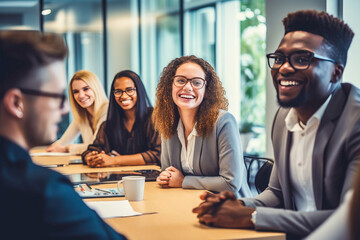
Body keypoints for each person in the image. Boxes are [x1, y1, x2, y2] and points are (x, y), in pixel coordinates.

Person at [192, 9, 358, 239]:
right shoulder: (283, 118)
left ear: (336, 73)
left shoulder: (355, 123)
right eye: (279, 58)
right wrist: (237, 206)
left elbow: (351, 218)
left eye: (302, 59)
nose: (284, 68)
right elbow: (277, 194)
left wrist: (251, 217)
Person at [0, 30, 126, 239]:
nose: (66, 108)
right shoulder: (44, 193)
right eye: (58, 97)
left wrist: (65, 147)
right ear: (16, 103)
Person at [153, 55, 252, 198]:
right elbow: (168, 172)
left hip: (229, 209)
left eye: (196, 82)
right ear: (170, 86)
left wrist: (183, 181)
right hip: (187, 203)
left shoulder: (223, 122)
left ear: (206, 91)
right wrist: (165, 178)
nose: (187, 87)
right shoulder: (168, 123)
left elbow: (231, 183)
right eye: (181, 80)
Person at [81, 70, 160, 167]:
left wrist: (115, 160)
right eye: (118, 91)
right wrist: (91, 158)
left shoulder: (155, 118)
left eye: (129, 90)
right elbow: (93, 149)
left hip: (150, 179)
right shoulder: (108, 125)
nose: (124, 96)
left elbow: (158, 154)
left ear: (139, 90)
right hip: (119, 178)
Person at [46, 70, 108, 154]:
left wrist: (67, 148)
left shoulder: (108, 110)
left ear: (95, 88)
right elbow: (63, 142)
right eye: (76, 92)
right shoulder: (82, 115)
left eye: (86, 89)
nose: (81, 95)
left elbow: (96, 146)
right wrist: (52, 148)